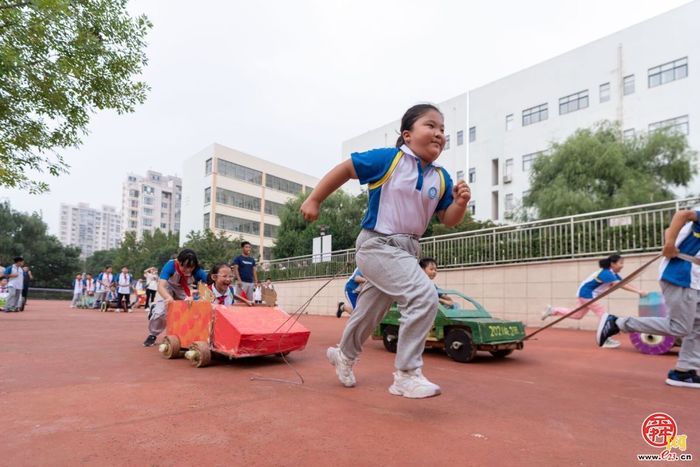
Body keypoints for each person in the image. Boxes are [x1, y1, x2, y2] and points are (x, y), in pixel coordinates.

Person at [300, 103, 471, 399]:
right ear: (407, 135)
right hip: (376, 244)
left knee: (369, 312)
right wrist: (315, 199)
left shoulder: (441, 178)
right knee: (423, 294)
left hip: (406, 250)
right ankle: (406, 374)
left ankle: (344, 355)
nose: (439, 133)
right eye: (430, 126)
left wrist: (460, 204)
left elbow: (448, 220)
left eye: (443, 129)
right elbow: (346, 168)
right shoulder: (390, 160)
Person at [597, 209, 700, 388]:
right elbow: (682, 214)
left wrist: (671, 238)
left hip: (694, 278)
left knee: (697, 324)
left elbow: (669, 229)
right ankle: (617, 323)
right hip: (681, 274)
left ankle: (683, 372)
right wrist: (669, 244)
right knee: (681, 327)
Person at [543, 254, 646, 348]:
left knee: (577, 315)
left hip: (584, 294)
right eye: (621, 263)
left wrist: (638, 290)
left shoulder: (612, 273)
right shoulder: (606, 273)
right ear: (612, 264)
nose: (622, 265)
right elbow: (620, 285)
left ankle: (552, 310)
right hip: (587, 294)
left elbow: (624, 282)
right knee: (603, 315)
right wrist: (638, 291)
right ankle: (604, 340)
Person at [143, 249, 208, 347]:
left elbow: (211, 283)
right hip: (167, 288)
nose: (187, 270)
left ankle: (188, 335)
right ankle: (153, 334)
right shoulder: (170, 265)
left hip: (182, 290)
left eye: (191, 267)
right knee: (161, 312)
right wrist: (168, 298)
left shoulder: (198, 271)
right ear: (178, 261)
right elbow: (161, 286)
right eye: (184, 266)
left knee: (191, 310)